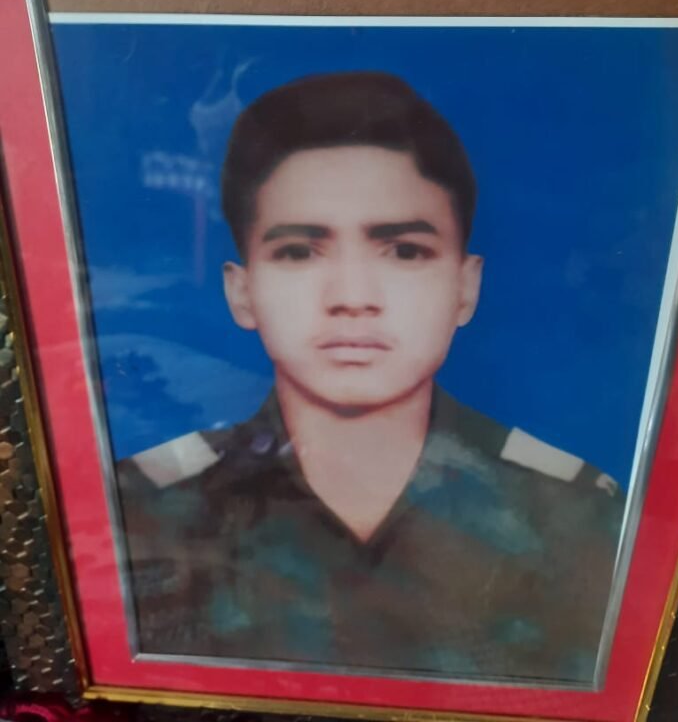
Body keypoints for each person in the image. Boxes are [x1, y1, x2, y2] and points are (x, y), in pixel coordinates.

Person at [117, 71, 624, 682]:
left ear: (466, 287)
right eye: (298, 251)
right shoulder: (143, 509)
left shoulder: (573, 515)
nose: (353, 297)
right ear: (241, 290)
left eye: (405, 251)